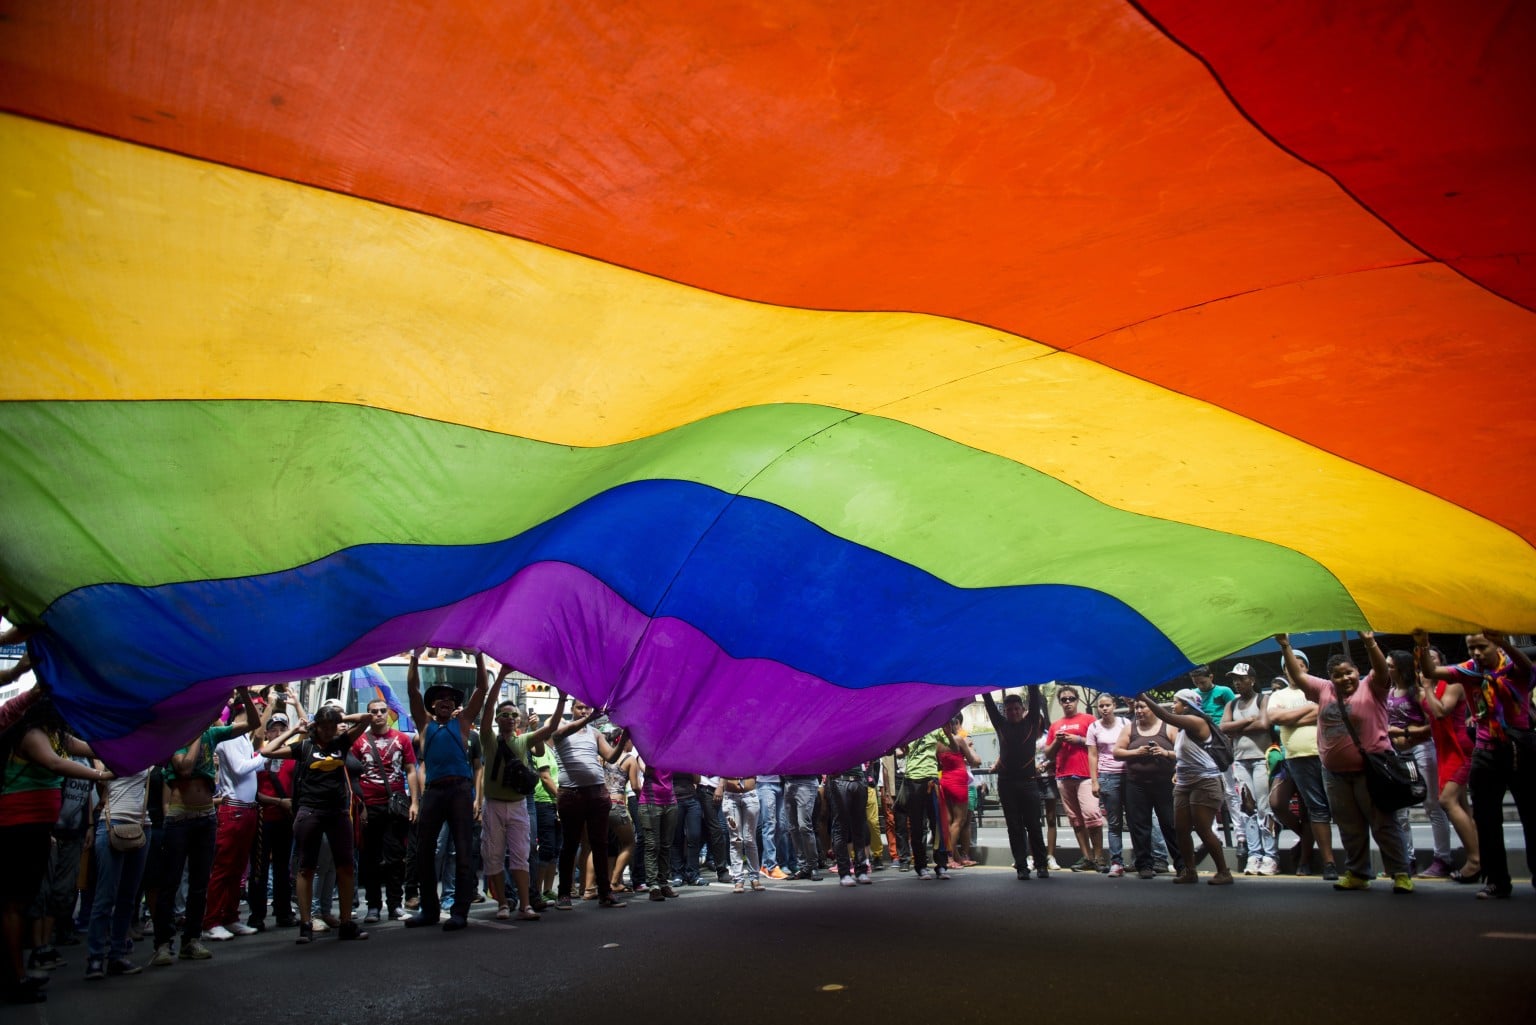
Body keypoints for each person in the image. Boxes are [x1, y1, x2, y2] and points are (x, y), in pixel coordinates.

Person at [1277, 632, 1412, 893]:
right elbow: (1300, 677)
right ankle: (1358, 873)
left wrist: (1370, 642)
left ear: (1357, 671)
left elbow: (1382, 670)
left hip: (1371, 771)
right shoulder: (1324, 690)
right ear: (1330, 678)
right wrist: (1285, 646)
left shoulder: (1373, 686)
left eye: (1348, 672)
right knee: (1350, 827)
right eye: (1337, 675)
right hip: (1335, 774)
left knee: (1384, 824)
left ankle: (1400, 873)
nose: (1344, 678)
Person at [1, 689, 110, 1004]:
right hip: (16, 827)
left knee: (23, 900)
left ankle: (15, 973)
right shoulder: (32, 734)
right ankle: (14, 978)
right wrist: (101, 773)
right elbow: (55, 764)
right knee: (13, 904)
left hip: (35, 828)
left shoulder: (56, 734)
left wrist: (129, 747)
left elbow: (90, 746)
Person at [1414, 629, 1534, 900]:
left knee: (1530, 814)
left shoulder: (1514, 669)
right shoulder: (1468, 672)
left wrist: (1505, 642)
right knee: (1487, 819)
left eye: (1482, 647)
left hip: (1519, 748)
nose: (1477, 654)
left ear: (1498, 646)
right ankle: (1497, 881)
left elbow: (1528, 669)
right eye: (1471, 649)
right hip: (1485, 750)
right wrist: (1422, 646)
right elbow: (1431, 671)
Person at [151, 687, 260, 967]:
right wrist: (199, 731)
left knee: (200, 881)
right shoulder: (177, 739)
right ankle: (163, 944)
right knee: (170, 881)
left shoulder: (213, 735)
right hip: (179, 816)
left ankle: (191, 940)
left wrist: (245, 695)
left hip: (205, 815)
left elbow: (253, 723)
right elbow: (185, 768)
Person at [262, 703, 372, 941]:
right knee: (306, 867)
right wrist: (294, 731)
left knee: (345, 866)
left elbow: (367, 719)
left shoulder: (341, 743)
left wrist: (341, 716)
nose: (330, 730)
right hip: (310, 811)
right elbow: (267, 752)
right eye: (325, 726)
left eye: (333, 726)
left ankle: (346, 923)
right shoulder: (304, 747)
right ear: (317, 726)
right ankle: (305, 924)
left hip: (337, 813)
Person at [404, 648, 491, 930]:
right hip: (434, 792)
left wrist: (478, 656)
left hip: (459, 791)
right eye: (439, 698)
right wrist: (415, 659)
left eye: (450, 698)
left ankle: (459, 911)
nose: (445, 700)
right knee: (424, 851)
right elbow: (413, 691)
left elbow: (481, 687)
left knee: (464, 851)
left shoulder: (463, 724)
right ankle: (429, 910)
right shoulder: (424, 725)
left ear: (455, 704)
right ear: (432, 705)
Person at [480, 686, 564, 918]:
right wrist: (500, 678)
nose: (509, 718)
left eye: (514, 715)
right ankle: (503, 905)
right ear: (497, 719)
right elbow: (486, 711)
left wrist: (563, 697)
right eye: (504, 715)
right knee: (494, 855)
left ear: (520, 721)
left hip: (518, 806)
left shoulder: (524, 740)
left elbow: (552, 727)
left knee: (522, 854)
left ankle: (526, 905)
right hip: (494, 805)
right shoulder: (487, 738)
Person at [1138, 687, 1234, 886]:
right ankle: (1190, 871)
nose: (1173, 706)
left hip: (1205, 782)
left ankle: (1224, 871)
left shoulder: (1196, 721)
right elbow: (1184, 755)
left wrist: (1144, 697)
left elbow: (1165, 716)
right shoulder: (1183, 730)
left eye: (1176, 702)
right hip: (1184, 782)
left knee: (1202, 828)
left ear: (1187, 705)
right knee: (1180, 828)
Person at [202, 691, 274, 941]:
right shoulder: (230, 736)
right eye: (260, 708)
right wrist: (263, 757)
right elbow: (240, 768)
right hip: (233, 810)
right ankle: (211, 920)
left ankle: (230, 917)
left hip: (248, 810)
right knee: (223, 868)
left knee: (238, 869)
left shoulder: (244, 737)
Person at [550, 694, 628, 910]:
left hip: (597, 794)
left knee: (600, 844)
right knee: (570, 844)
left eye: (587, 709)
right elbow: (559, 733)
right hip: (571, 794)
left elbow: (611, 757)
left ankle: (605, 893)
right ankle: (564, 894)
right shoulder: (561, 729)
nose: (584, 711)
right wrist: (590, 717)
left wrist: (624, 737)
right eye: (580, 708)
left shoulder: (594, 733)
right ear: (572, 710)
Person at [1265, 661, 1338, 879]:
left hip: (1321, 754)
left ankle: (1314, 861)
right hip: (1292, 759)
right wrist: (1310, 710)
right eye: (1288, 666)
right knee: (1277, 803)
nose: (1294, 669)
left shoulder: (1319, 688)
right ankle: (1308, 841)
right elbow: (1276, 718)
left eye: (1299, 665)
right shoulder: (1278, 695)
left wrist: (1293, 718)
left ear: (1306, 667)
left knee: (1315, 809)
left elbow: (1322, 712)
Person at [1414, 643, 1480, 883]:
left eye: (1432, 659)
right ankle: (1478, 855)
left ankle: (1474, 862)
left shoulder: (1453, 682)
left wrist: (1428, 688)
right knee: (1462, 804)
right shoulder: (1424, 687)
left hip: (1459, 748)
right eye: (1424, 661)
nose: (1428, 665)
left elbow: (1440, 712)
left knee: (1447, 800)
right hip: (1442, 749)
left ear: (1441, 662)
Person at [1384, 649, 1452, 877]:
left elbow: (1433, 725)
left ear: (1401, 667)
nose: (1387, 669)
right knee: (1400, 811)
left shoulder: (1419, 693)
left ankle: (1443, 858)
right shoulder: (1389, 692)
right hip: (1397, 755)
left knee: (1432, 805)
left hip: (1421, 750)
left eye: (1390, 665)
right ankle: (1407, 859)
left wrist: (1400, 731)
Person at [352, 692, 419, 923]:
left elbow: (411, 770)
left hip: (396, 806)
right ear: (367, 715)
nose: (379, 715)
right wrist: (358, 806)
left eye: (382, 711)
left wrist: (415, 802)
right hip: (368, 806)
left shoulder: (402, 739)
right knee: (370, 858)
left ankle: (395, 905)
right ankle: (373, 906)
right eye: (373, 712)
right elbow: (352, 775)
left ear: (389, 714)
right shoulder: (358, 741)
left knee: (395, 857)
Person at [83, 765, 151, 980]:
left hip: (141, 824)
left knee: (128, 898)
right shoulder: (112, 749)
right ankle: (95, 958)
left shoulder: (151, 752)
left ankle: (117, 955)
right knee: (105, 896)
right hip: (111, 823)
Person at [1113, 697, 1184, 879]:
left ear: (1153, 708)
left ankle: (1182, 864)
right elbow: (1117, 752)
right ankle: (1144, 864)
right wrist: (1136, 752)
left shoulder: (1168, 726)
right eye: (1136, 707)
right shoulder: (1130, 727)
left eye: (1142, 707)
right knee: (1139, 824)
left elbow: (1182, 753)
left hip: (1164, 782)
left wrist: (1164, 752)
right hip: (1136, 784)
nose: (1138, 711)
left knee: (1170, 823)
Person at [982, 687, 1047, 880]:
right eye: (1009, 710)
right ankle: (1021, 867)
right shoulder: (1001, 724)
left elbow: (1034, 695)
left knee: (1034, 825)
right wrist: (985, 683)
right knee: (1014, 826)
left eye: (1017, 709)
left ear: (1023, 709)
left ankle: (1042, 865)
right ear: (1005, 712)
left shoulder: (1032, 721)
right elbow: (988, 703)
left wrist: (1028, 668)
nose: (1013, 712)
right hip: (1006, 783)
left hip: (1029, 783)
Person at [1220, 664, 1277, 875]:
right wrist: (1247, 720)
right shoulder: (1232, 704)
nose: (1237, 682)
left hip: (1262, 759)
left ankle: (1270, 856)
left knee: (1265, 807)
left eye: (1241, 678)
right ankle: (1254, 854)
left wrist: (1237, 727)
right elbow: (1222, 727)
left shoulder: (1263, 699)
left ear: (1252, 680)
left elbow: (1263, 724)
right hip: (1240, 761)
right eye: (1234, 679)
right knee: (1247, 808)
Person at [1041, 685, 1103, 871]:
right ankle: (1087, 857)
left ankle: (1099, 857)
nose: (1067, 702)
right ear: (1060, 703)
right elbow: (1049, 754)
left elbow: (1100, 745)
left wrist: (1079, 740)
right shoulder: (1055, 725)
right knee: (1075, 819)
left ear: (1077, 701)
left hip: (1086, 775)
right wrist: (1059, 741)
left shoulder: (1089, 720)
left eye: (1071, 699)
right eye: (1064, 700)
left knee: (1092, 815)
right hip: (1063, 776)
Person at [249, 711, 298, 929]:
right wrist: (279, 802)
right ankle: (257, 914)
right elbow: (251, 792)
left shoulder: (293, 758)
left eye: (282, 729)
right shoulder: (258, 758)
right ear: (267, 733)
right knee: (259, 867)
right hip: (263, 817)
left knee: (282, 867)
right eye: (274, 729)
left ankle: (283, 910)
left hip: (285, 819)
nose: (278, 733)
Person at [897, 722, 958, 880]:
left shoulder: (936, 727)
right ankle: (921, 866)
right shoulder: (908, 726)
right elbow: (897, 752)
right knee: (917, 827)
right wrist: (899, 747)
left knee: (938, 825)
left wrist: (949, 734)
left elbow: (955, 749)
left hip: (932, 781)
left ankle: (942, 865)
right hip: (912, 781)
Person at [1087, 695, 1131, 877]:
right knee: (1114, 822)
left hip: (1129, 775)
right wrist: (1095, 781)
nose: (1104, 709)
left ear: (1114, 706)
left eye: (1107, 705)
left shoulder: (1125, 723)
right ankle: (1116, 862)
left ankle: (1144, 860)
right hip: (1107, 776)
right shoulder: (1094, 727)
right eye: (1101, 706)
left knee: (1137, 819)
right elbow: (1092, 755)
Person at [938, 716, 981, 866]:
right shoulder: (959, 740)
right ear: (953, 725)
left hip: (945, 780)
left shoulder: (938, 744)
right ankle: (949, 857)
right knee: (959, 821)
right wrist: (968, 747)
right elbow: (974, 761)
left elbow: (939, 764)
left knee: (949, 821)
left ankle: (956, 857)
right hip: (958, 781)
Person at [635, 756, 680, 900]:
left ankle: (663, 883)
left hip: (670, 802)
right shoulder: (644, 754)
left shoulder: (671, 754)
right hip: (649, 802)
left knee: (666, 845)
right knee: (652, 845)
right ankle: (653, 886)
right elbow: (647, 771)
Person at [825, 763, 873, 886]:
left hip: (859, 779)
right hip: (839, 780)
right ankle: (845, 872)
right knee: (841, 828)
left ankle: (861, 869)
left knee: (859, 827)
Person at [717, 774, 767, 891]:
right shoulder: (726, 755)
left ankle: (755, 878)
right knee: (735, 840)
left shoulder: (751, 755)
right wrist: (720, 785)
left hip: (750, 795)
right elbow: (721, 768)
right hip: (730, 797)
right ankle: (738, 879)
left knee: (750, 839)